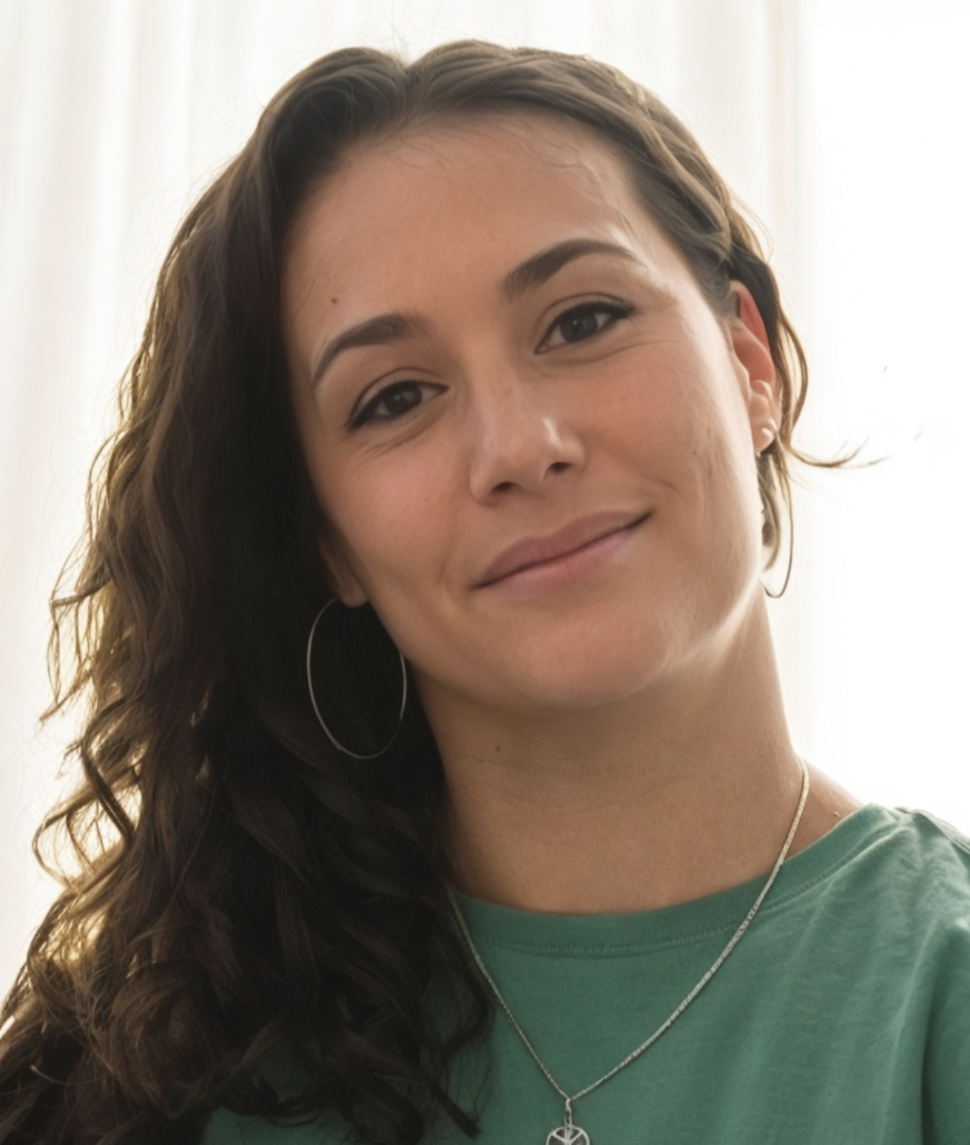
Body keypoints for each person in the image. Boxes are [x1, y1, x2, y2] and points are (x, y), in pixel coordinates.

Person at [0, 38, 967, 1145]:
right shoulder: (165, 1084)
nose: (520, 445)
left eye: (582, 320)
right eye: (396, 397)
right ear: (326, 540)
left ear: (751, 363)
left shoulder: (941, 992)